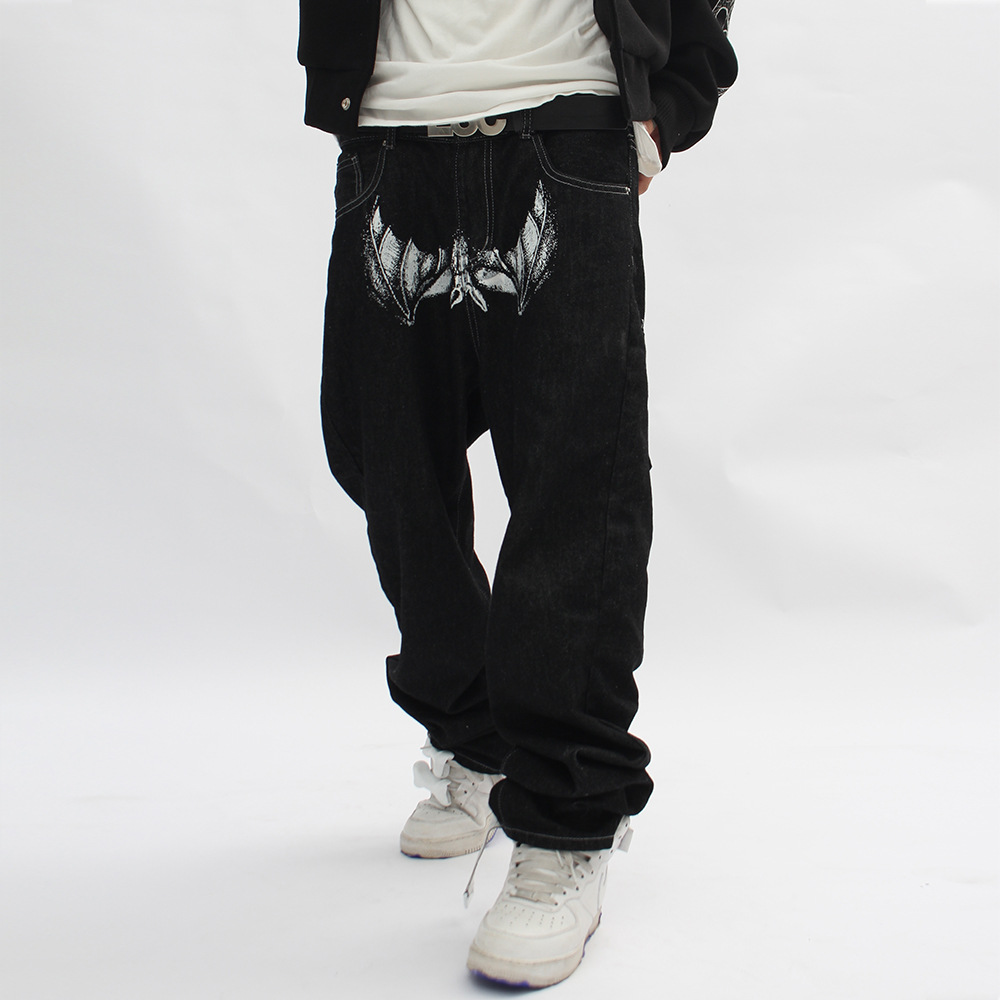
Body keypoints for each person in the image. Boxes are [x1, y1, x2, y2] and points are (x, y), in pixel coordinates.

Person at [297, 0, 737, 987]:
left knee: (574, 486)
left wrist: (668, 104)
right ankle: (477, 735)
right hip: (390, 138)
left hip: (562, 131)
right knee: (382, 459)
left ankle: (565, 822)